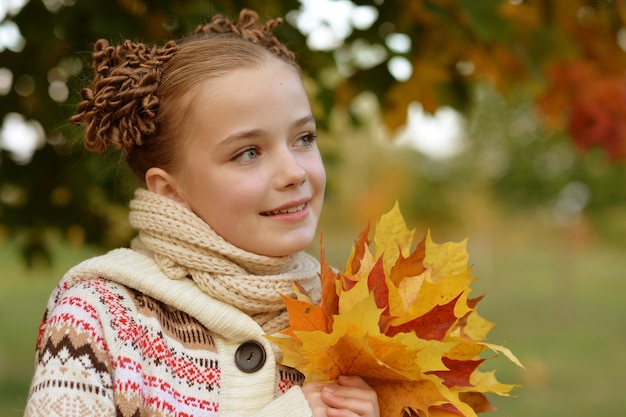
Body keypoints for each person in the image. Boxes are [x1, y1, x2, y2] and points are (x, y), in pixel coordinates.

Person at [24, 9, 380, 417]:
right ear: (171, 191)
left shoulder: (350, 317)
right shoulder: (100, 317)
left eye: (304, 138)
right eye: (248, 152)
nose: (295, 172)